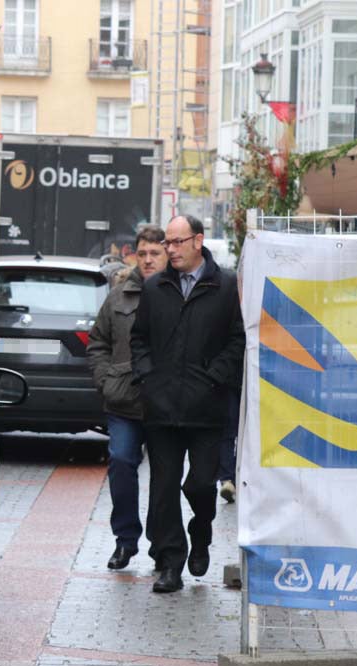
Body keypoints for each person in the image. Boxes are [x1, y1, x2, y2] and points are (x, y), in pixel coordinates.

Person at [130, 215, 245, 594]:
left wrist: (214, 377)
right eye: (168, 243)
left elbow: (237, 340)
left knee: (200, 484)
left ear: (198, 241)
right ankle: (170, 562)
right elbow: (139, 339)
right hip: (161, 407)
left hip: (207, 408)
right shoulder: (155, 287)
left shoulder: (225, 285)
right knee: (162, 489)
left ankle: (202, 530)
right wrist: (148, 377)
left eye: (178, 242)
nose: (171, 249)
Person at [87, 226, 168, 570]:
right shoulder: (119, 295)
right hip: (123, 400)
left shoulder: (177, 293)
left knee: (165, 477)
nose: (148, 260)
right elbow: (97, 343)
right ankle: (125, 540)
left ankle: (162, 544)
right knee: (121, 462)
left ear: (167, 254)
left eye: (155, 253)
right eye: (143, 253)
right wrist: (106, 380)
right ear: (135, 254)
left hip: (166, 403)